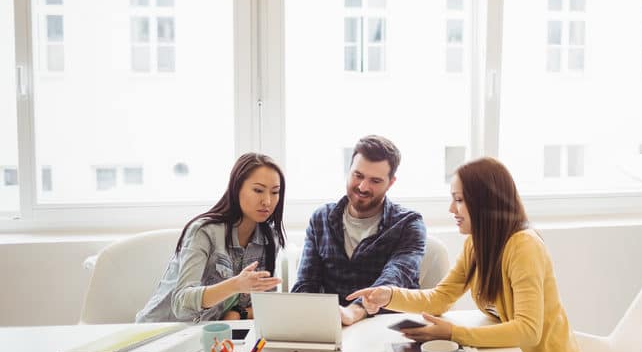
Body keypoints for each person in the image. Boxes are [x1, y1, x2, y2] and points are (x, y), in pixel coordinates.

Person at [348, 157, 591, 352]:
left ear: (485, 202)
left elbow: (528, 331)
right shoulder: (476, 245)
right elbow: (440, 298)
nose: (451, 209)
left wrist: (454, 333)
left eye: (459, 200)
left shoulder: (524, 246)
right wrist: (387, 295)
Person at [292, 135, 426, 326]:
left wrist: (354, 311)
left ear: (391, 182)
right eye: (358, 175)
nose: (363, 187)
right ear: (349, 171)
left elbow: (395, 277)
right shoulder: (321, 219)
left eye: (375, 181)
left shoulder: (409, 223)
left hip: (388, 329)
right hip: (335, 328)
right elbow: (306, 284)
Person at [136, 153, 285, 323]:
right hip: (160, 332)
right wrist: (235, 285)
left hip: (208, 334)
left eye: (275, 192)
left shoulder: (270, 239)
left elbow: (266, 305)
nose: (267, 201)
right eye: (258, 190)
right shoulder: (204, 231)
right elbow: (181, 303)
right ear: (236, 189)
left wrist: (239, 313)